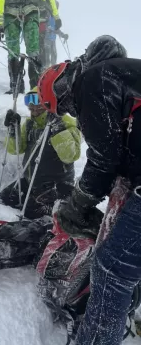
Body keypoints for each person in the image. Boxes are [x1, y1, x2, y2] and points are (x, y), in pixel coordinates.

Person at [37, 35, 141, 344]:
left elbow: (103, 157)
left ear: (64, 84)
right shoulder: (120, 75)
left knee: (111, 268)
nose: (72, 109)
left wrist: (78, 202)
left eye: (65, 103)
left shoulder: (94, 79)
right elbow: (118, 153)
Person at [0, 86, 81, 219]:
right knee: (4, 198)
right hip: (32, 181)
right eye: (31, 104)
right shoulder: (31, 124)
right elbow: (15, 150)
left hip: (56, 185)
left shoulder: (67, 123)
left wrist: (58, 129)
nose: (34, 109)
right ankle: (33, 198)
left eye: (40, 104)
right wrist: (14, 131)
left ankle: (58, 207)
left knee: (30, 212)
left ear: (49, 103)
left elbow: (70, 156)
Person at [43, 0, 68, 68]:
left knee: (54, 55)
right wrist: (48, 29)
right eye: (55, 7)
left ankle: (53, 70)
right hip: (46, 39)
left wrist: (63, 35)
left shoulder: (54, 18)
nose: (56, 8)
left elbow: (57, 29)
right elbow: (43, 26)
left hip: (52, 40)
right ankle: (45, 70)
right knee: (47, 57)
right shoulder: (46, 15)